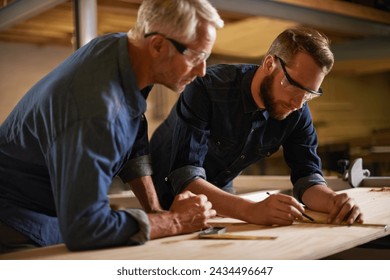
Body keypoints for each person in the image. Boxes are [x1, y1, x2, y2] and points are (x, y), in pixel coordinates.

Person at [0, 0, 224, 254]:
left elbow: (134, 135)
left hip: (54, 210)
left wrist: (155, 211)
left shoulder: (121, 50)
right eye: (196, 56)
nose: (203, 71)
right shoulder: (96, 112)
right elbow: (85, 228)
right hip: (15, 220)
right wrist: (175, 221)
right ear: (158, 45)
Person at [150, 27, 364, 226]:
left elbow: (306, 177)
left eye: (309, 94)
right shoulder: (207, 89)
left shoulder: (296, 110)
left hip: (219, 193)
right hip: (158, 192)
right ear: (270, 64)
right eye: (294, 86)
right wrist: (252, 211)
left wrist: (333, 201)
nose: (298, 104)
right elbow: (185, 175)